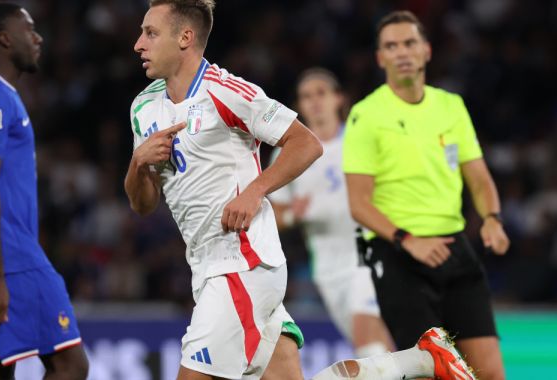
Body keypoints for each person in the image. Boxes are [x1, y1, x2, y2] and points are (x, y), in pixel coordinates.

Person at [125, 1, 476, 379]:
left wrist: (255, 190)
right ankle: (421, 359)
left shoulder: (226, 91)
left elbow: (305, 143)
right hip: (207, 265)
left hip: (242, 264)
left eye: (150, 33)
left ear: (185, 37)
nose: (138, 44)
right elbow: (143, 204)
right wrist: (138, 163)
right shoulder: (144, 108)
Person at [343, 10, 509, 380]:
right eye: (391, 45)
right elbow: (359, 203)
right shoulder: (366, 115)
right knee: (428, 372)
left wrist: (493, 219)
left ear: (427, 50)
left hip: (454, 250)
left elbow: (479, 178)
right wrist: (408, 240)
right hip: (398, 254)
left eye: (409, 43)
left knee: (491, 373)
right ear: (380, 58)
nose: (401, 51)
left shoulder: (451, 106)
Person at [0, 3, 88, 379]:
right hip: (7, 256)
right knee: (71, 366)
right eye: (29, 29)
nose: (38, 37)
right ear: (4, 38)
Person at [268, 68, 394, 358]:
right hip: (327, 265)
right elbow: (268, 213)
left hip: (369, 250)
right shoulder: (289, 154)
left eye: (321, 93)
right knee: (378, 350)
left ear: (339, 99)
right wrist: (291, 216)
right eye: (306, 96)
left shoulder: (363, 142)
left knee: (367, 336)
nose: (314, 102)